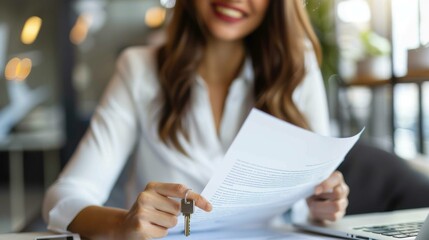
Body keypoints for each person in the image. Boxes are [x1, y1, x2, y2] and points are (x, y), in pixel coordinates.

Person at [43, 1, 350, 239]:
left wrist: (323, 206)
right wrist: (122, 224)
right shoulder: (138, 70)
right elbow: (63, 198)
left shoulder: (298, 68)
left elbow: (314, 202)